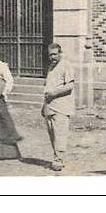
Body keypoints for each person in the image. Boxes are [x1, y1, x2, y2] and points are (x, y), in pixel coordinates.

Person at [42, 42, 75, 172]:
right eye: (50, 55)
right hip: (50, 106)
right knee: (52, 135)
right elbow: (48, 87)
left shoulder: (66, 65)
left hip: (62, 106)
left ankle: (59, 160)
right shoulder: (51, 67)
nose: (53, 57)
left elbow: (70, 86)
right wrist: (43, 105)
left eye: (55, 54)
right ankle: (57, 157)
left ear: (60, 53)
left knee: (60, 134)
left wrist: (54, 93)